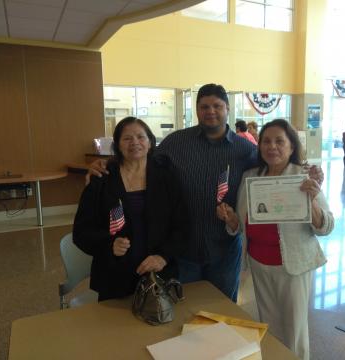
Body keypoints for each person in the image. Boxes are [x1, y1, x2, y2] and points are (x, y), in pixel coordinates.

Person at [87, 84, 325, 302]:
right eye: (204, 106)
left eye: (217, 106)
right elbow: (139, 159)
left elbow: (274, 164)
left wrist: (305, 171)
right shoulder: (176, 143)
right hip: (184, 248)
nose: (211, 111)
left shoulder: (246, 149)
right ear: (197, 110)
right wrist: (107, 165)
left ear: (227, 109)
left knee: (223, 311)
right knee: (187, 310)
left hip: (224, 248)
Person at [216, 119, 334, 359]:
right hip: (259, 264)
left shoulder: (303, 176)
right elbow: (240, 225)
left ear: (292, 147)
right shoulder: (250, 177)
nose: (272, 147)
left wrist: (310, 202)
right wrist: (230, 220)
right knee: (269, 325)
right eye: (267, 141)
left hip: (293, 266)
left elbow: (327, 226)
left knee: (294, 329)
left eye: (280, 141)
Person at [73, 117, 186, 301]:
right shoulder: (102, 178)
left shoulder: (167, 176)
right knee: (115, 328)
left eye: (141, 137)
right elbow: (81, 232)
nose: (135, 142)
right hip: (115, 276)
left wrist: (163, 257)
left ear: (150, 142)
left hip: (159, 273)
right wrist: (109, 245)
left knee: (159, 328)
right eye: (127, 138)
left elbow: (183, 224)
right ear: (117, 145)